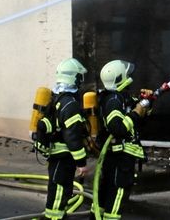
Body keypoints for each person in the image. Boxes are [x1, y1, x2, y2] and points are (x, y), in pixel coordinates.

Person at [34, 58, 90, 220]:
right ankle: (54, 218)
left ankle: (56, 216)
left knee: (58, 187)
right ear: (74, 77)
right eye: (80, 77)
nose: (81, 81)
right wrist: (82, 163)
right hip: (63, 156)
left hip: (57, 154)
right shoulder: (70, 104)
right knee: (59, 190)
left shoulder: (57, 97)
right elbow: (72, 137)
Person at [93, 60, 149, 220]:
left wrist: (146, 104)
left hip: (117, 158)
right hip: (120, 159)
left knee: (105, 194)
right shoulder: (113, 101)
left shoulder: (119, 98)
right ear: (120, 77)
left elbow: (139, 121)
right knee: (117, 195)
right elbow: (117, 128)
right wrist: (136, 113)